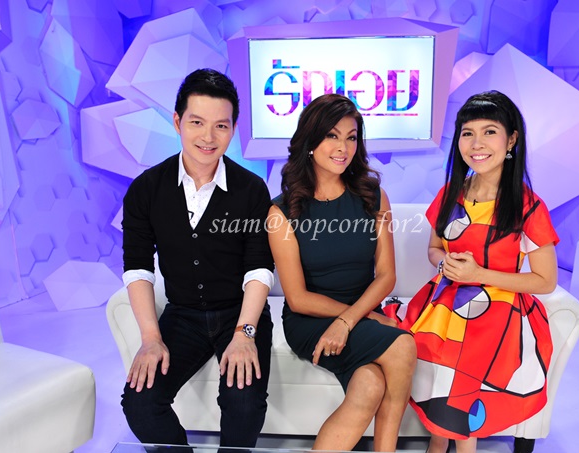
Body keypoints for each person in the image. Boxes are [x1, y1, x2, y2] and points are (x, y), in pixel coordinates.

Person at [384, 91, 558, 453]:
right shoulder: (451, 192)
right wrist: (443, 264)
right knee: (427, 362)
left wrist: (478, 274)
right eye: (468, 133)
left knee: (463, 375)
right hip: (443, 303)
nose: (477, 144)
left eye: (489, 132)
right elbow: (435, 248)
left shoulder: (528, 206)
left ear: (511, 140)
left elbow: (545, 281)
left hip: (498, 312)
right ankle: (437, 443)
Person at [120, 68, 274, 448]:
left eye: (221, 126)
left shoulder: (252, 189)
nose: (208, 137)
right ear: (177, 122)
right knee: (140, 404)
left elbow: (259, 267)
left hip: (239, 314)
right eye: (197, 123)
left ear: (233, 129)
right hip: (183, 315)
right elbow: (138, 268)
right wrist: (151, 338)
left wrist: (245, 333)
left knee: (244, 403)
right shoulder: (145, 189)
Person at [267, 94, 417, 452]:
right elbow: (297, 298)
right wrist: (354, 319)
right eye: (332, 136)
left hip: (358, 315)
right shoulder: (282, 212)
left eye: (351, 137)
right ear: (310, 141)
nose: (343, 147)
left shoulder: (373, 196)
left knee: (370, 385)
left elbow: (386, 275)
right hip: (310, 320)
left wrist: (352, 319)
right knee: (402, 346)